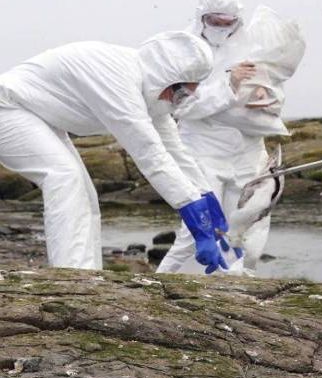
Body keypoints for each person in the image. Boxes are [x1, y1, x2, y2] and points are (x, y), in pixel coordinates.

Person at [0, 31, 230, 274]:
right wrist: (196, 219)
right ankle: (70, 277)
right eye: (182, 93)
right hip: (7, 107)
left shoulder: (148, 92)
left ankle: (87, 275)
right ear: (165, 77)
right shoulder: (119, 80)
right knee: (65, 177)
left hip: (36, 115)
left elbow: (176, 152)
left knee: (86, 197)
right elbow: (151, 155)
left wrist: (207, 198)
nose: (181, 102)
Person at [157, 0, 305, 275]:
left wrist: (264, 95)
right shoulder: (182, 50)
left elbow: (272, 84)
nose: (223, 27)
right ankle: (161, 283)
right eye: (215, 21)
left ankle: (236, 286)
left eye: (229, 22)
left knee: (247, 224)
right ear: (202, 16)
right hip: (201, 149)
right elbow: (182, 106)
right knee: (198, 226)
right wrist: (229, 84)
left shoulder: (252, 43)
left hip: (247, 151)